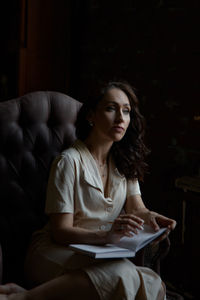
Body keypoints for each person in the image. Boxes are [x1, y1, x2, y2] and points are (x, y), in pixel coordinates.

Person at [0, 81, 176, 300]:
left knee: (155, 284)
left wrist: (152, 219)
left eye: (126, 111)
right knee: (121, 273)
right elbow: (60, 232)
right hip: (54, 251)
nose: (121, 118)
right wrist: (107, 236)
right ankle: (21, 299)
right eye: (111, 108)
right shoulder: (68, 162)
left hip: (100, 254)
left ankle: (27, 294)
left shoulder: (124, 163)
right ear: (91, 115)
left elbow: (137, 208)